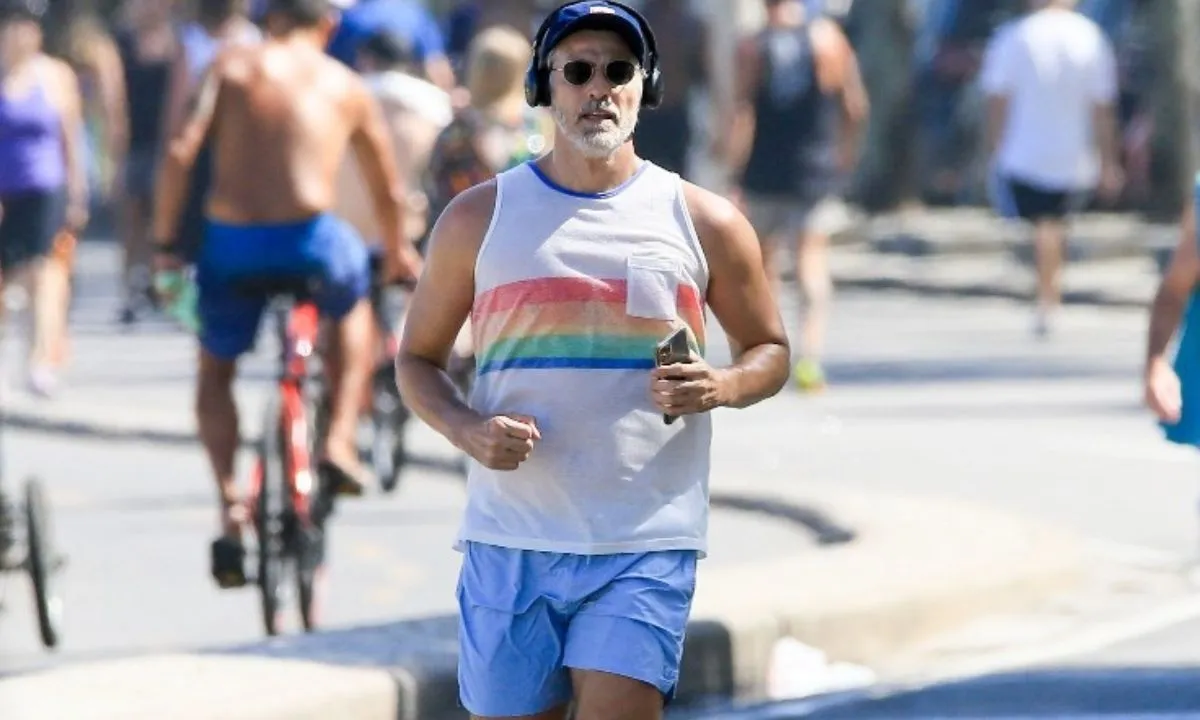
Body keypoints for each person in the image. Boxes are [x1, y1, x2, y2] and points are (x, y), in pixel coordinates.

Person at [395, 2, 790, 717]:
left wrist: (724, 382)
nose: (599, 88)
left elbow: (772, 350)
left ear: (646, 86)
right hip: (511, 540)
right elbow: (417, 360)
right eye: (577, 71)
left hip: (644, 540)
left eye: (619, 71)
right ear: (544, 88)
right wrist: (468, 431)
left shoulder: (704, 221)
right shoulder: (477, 219)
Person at [151, 0, 423, 587]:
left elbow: (179, 153)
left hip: (232, 243)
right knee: (352, 307)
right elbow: (388, 189)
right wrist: (399, 252)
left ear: (267, 21)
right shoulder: (344, 82)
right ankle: (340, 443)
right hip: (310, 241)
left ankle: (229, 502)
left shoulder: (228, 66)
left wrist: (165, 244)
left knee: (215, 372)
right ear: (326, 25)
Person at [722, 0, 867, 393]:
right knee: (811, 261)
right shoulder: (829, 39)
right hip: (815, 168)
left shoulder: (752, 46)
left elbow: (742, 111)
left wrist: (733, 169)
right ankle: (810, 355)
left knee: (763, 265)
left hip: (764, 169)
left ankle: (770, 351)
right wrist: (845, 155)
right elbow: (855, 106)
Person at [981, 0, 1122, 338]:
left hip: (1024, 150)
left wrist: (993, 146)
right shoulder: (1090, 38)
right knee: (1053, 225)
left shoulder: (1013, 37)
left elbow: (997, 100)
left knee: (1043, 226)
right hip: (1072, 152)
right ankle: (1049, 293)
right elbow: (1102, 107)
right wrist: (1108, 159)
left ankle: (1046, 294)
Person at [0, 0, 88, 397]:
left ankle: (38, 361)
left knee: (44, 274)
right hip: (4, 188)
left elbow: (70, 136)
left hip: (44, 186)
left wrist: (77, 193)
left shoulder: (54, 75)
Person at [115, 0, 177, 324]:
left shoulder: (178, 41)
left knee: (165, 223)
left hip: (167, 144)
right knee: (133, 222)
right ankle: (130, 292)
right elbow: (115, 97)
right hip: (134, 143)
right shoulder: (123, 41)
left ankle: (167, 294)